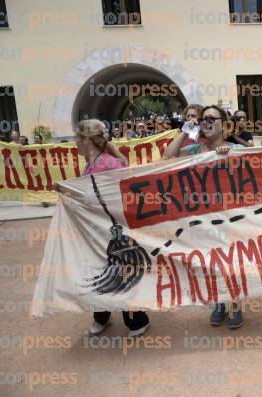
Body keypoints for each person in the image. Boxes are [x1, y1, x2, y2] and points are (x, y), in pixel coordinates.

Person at [162, 105, 245, 329]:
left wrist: (229, 158)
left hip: (231, 218)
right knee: (210, 263)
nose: (206, 122)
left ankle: (235, 305)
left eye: (211, 118)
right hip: (203, 218)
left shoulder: (235, 148)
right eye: (203, 119)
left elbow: (254, 167)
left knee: (230, 263)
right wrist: (184, 130)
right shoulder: (195, 150)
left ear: (224, 124)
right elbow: (167, 157)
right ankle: (219, 302)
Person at [75, 119, 150, 337]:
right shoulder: (90, 163)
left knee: (123, 270)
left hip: (115, 229)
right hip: (98, 230)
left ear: (87, 140)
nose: (75, 143)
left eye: (77, 138)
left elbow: (122, 194)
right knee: (100, 270)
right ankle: (101, 315)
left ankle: (136, 319)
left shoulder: (108, 164)